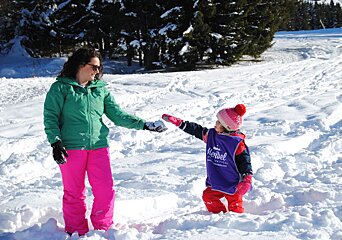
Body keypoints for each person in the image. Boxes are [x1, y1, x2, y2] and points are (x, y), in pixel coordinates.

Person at [43, 48, 167, 236]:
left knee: (105, 190)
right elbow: (50, 117)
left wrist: (144, 125)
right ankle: (77, 231)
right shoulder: (61, 88)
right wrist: (55, 142)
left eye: (99, 68)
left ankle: (103, 228)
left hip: (99, 146)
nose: (97, 72)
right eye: (94, 67)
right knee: (74, 193)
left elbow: (117, 115)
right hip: (71, 148)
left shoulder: (100, 90)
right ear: (80, 65)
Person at [162, 104, 252, 214]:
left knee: (235, 208)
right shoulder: (211, 135)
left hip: (233, 185)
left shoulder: (236, 144)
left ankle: (236, 225)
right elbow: (196, 130)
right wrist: (180, 123)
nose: (215, 124)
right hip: (217, 181)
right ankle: (218, 218)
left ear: (226, 127)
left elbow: (245, 162)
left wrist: (247, 179)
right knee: (208, 197)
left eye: (219, 122)